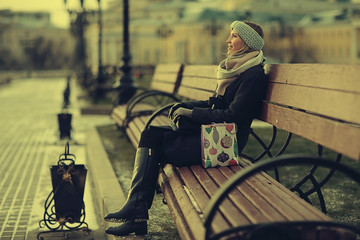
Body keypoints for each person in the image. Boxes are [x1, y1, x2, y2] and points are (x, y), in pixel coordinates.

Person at [104, 20, 268, 236]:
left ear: (247, 42)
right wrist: (182, 106)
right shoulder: (237, 69)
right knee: (150, 135)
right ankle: (136, 210)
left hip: (226, 145)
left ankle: (137, 213)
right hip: (214, 136)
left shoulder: (252, 76)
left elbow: (233, 117)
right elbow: (215, 104)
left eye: (234, 36)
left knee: (157, 147)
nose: (228, 40)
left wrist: (192, 114)